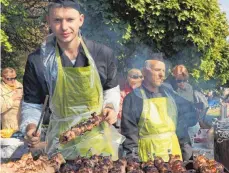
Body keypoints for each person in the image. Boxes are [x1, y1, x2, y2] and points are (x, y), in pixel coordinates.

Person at [20, 0, 123, 160]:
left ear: (81, 19)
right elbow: (32, 103)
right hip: (60, 144)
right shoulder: (38, 60)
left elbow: (111, 88)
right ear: (48, 21)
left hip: (98, 142)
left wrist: (110, 106)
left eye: (70, 19)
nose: (64, 27)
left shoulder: (102, 54)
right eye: (57, 20)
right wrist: (30, 127)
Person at [121, 55, 197, 161]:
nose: (161, 75)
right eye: (157, 70)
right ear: (144, 72)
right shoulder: (132, 99)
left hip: (175, 159)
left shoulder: (171, 95)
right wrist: (133, 163)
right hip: (149, 161)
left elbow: (182, 128)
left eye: (163, 71)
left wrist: (187, 156)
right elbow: (130, 136)